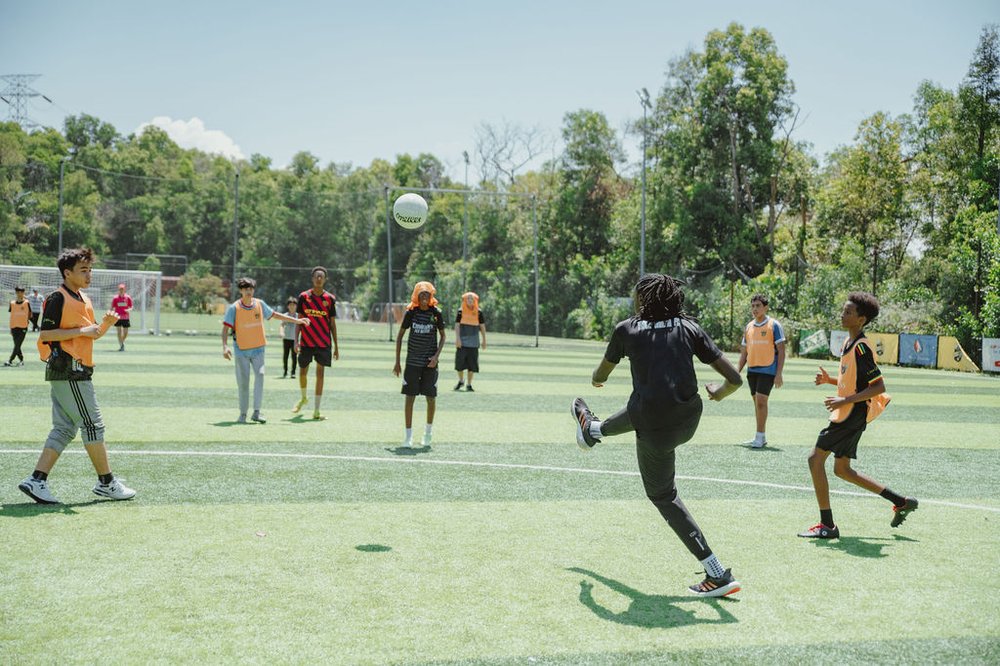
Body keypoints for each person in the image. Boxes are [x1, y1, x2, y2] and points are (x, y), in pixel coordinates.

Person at [571, 274, 744, 598]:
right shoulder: (688, 327)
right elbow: (734, 378)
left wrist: (597, 381)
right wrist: (719, 394)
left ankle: (716, 573)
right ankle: (592, 430)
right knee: (647, 406)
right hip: (689, 420)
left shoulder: (627, 329)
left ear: (644, 299)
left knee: (663, 495)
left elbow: (601, 373)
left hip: (652, 425)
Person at [17, 247, 136, 504]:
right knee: (93, 425)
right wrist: (84, 330)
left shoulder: (84, 298)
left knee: (64, 427)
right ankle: (106, 482)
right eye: (83, 270)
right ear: (67, 273)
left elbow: (89, 333)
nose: (89, 274)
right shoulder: (57, 298)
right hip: (70, 369)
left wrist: (105, 325)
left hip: (75, 369)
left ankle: (36, 480)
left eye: (90, 269)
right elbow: (46, 335)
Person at [798, 292, 917, 539]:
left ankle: (827, 526)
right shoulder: (848, 343)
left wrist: (844, 400)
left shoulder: (862, 347)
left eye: (849, 311)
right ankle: (900, 501)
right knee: (842, 470)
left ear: (861, 319)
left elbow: (877, 387)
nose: (843, 314)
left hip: (852, 413)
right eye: (844, 310)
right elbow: (852, 381)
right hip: (850, 412)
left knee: (814, 459)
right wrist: (830, 381)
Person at [222, 277, 310, 424]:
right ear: (241, 291)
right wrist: (225, 347)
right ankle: (243, 414)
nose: (248, 292)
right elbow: (225, 329)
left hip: (258, 348)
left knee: (261, 375)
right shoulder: (234, 308)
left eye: (251, 289)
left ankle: (256, 412)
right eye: (245, 289)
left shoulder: (260, 304)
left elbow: (275, 315)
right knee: (243, 383)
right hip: (241, 349)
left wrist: (297, 321)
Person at [393, 281, 446, 448]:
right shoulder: (411, 313)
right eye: (421, 294)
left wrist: (436, 357)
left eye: (427, 294)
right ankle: (408, 437)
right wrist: (397, 362)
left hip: (430, 364)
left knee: (431, 398)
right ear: (416, 296)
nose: (424, 297)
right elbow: (400, 337)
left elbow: (443, 336)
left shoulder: (436, 313)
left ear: (431, 296)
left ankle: (428, 434)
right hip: (412, 363)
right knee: (410, 399)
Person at [735, 293, 786, 448]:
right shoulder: (749, 327)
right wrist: (737, 371)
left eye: (758, 306)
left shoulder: (774, 325)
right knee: (757, 403)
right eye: (753, 306)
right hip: (752, 369)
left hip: (768, 369)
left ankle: (760, 436)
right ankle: (760, 436)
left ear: (765, 307)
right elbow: (744, 352)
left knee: (762, 401)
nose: (755, 309)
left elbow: (782, 350)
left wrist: (779, 373)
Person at [293, 267, 339, 420]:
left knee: (320, 374)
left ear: (325, 279)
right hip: (306, 342)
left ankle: (317, 410)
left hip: (323, 343)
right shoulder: (303, 297)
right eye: (316, 276)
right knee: (303, 372)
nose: (319, 279)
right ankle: (304, 397)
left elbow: (332, 324)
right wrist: (295, 341)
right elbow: (298, 321)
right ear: (312, 279)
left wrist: (336, 347)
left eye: (322, 276)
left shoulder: (330, 299)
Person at [453, 291, 487, 391]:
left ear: (475, 300)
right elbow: (457, 325)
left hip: (474, 343)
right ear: (465, 300)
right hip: (462, 342)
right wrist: (458, 339)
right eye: (468, 299)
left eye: (472, 299)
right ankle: (461, 381)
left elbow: (482, 327)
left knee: (472, 366)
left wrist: (484, 340)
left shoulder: (479, 312)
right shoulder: (460, 311)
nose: (470, 300)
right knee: (459, 364)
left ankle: (469, 384)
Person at [6, 286, 30, 366]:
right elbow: (12, 315)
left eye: (21, 292)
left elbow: (31, 315)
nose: (20, 294)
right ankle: (21, 360)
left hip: (23, 327)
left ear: (23, 293)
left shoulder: (27, 303)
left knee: (17, 344)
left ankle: (10, 360)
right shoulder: (12, 303)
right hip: (14, 327)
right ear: (16, 293)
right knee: (17, 345)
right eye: (18, 292)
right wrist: (10, 327)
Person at [279, 297, 299, 379]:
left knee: (294, 356)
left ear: (296, 306)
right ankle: (285, 371)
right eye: (290, 305)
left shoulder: (298, 316)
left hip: (295, 339)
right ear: (288, 306)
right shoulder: (285, 315)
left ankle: (293, 372)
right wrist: (281, 332)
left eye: (294, 305)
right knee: (286, 356)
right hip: (286, 338)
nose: (292, 307)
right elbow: (282, 325)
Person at [110, 283, 133, 351]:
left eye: (122, 289)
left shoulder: (128, 297)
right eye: (120, 289)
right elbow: (112, 307)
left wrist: (129, 310)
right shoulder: (115, 298)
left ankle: (121, 342)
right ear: (118, 289)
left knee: (125, 333)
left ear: (124, 289)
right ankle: (121, 345)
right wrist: (110, 314)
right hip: (118, 317)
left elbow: (131, 307)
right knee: (119, 332)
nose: (121, 290)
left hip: (125, 317)